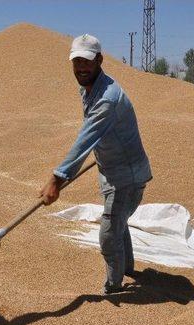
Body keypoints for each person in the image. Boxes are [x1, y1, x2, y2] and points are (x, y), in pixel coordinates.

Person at [39, 34, 152, 295]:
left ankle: (114, 287)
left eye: (87, 61)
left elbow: (85, 139)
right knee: (118, 222)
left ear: (99, 60)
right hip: (112, 171)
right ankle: (128, 269)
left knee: (109, 234)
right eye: (76, 61)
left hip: (127, 177)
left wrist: (57, 179)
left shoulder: (107, 98)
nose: (81, 67)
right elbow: (94, 133)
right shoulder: (89, 88)